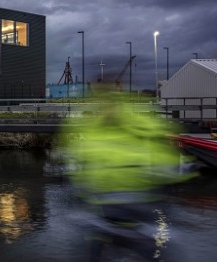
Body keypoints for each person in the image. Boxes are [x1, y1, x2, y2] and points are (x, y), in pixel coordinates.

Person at [61, 82, 197, 261]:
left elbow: (78, 164)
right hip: (121, 206)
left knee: (97, 243)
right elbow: (78, 163)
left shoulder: (110, 127)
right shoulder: (95, 128)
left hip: (131, 204)